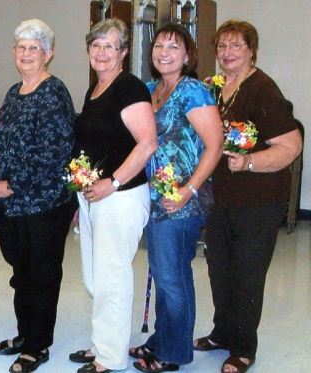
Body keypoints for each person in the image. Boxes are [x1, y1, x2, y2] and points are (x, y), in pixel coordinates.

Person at [192, 19, 302, 373]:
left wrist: (251, 162)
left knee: (247, 274)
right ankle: (223, 333)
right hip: (220, 198)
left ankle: (243, 348)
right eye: (221, 47)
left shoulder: (262, 88)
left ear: (251, 50)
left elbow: (291, 144)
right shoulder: (220, 86)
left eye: (235, 46)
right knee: (219, 269)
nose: (227, 54)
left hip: (257, 201)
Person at [0, 19, 76, 373]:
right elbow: (0, 144)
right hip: (10, 204)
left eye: (33, 48)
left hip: (42, 204)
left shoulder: (54, 92)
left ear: (48, 54)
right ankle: (25, 335)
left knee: (40, 274)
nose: (25, 54)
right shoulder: (12, 91)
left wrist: (12, 184)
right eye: (20, 47)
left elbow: (54, 154)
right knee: (21, 273)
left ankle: (38, 346)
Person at [127, 23, 223, 373]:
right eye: (159, 46)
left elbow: (215, 146)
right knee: (163, 272)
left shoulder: (192, 90)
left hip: (182, 201)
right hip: (151, 200)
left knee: (172, 276)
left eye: (173, 47)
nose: (164, 53)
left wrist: (189, 190)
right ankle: (161, 339)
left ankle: (174, 351)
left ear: (187, 55)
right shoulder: (150, 89)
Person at [68, 19, 157, 373]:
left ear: (123, 52)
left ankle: (110, 357)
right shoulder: (96, 89)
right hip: (92, 198)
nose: (102, 53)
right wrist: (81, 200)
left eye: (110, 46)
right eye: (96, 45)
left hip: (120, 197)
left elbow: (147, 143)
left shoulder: (129, 88)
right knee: (96, 279)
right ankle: (102, 344)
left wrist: (114, 182)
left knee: (111, 278)